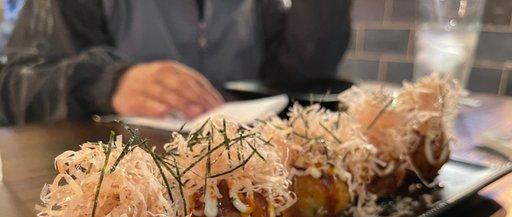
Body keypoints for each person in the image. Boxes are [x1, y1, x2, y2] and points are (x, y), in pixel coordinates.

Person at [0, 0, 351, 126]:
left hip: (243, 186)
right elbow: (16, 85)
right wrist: (108, 82)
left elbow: (302, 75)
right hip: (117, 201)